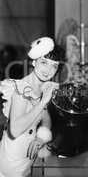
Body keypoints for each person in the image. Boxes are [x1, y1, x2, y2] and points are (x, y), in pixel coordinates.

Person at [0, 37, 60, 177]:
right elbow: (14, 130)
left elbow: (46, 120)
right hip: (10, 164)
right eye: (44, 62)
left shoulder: (40, 89)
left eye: (54, 65)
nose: (48, 70)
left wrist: (41, 138)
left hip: (27, 163)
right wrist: (42, 103)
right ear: (34, 62)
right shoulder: (22, 89)